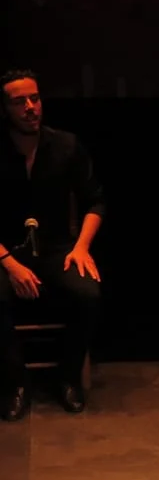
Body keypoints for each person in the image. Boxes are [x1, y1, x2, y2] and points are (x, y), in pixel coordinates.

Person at [0, 69, 104, 421]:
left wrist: (82, 247)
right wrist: (10, 264)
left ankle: (68, 377)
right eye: (19, 102)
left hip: (57, 246)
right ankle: (15, 383)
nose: (30, 107)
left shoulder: (66, 145)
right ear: (5, 109)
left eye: (35, 98)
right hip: (5, 252)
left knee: (87, 292)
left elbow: (95, 201)